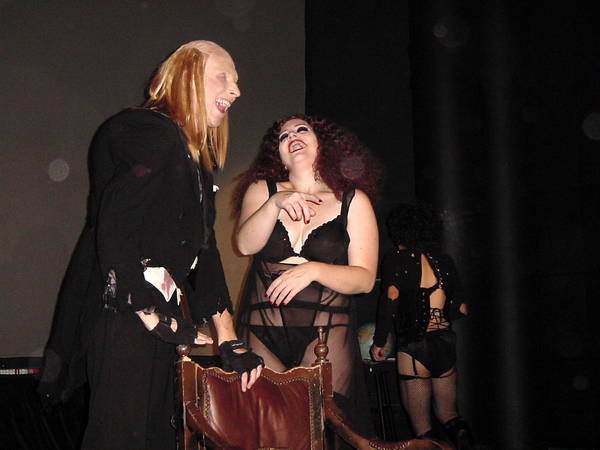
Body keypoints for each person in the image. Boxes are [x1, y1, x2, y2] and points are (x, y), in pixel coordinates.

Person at [38, 40, 263, 450]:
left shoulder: (194, 160)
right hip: (125, 310)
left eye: (236, 80)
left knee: (154, 435)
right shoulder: (147, 129)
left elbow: (203, 250)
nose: (236, 89)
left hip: (155, 315)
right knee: (122, 437)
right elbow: (116, 222)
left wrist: (228, 337)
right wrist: (146, 310)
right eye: (223, 76)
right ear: (187, 75)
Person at [232, 114, 380, 435]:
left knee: (322, 427)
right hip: (262, 326)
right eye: (283, 136)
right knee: (272, 429)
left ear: (322, 143)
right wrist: (275, 203)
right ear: (278, 155)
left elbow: (365, 279)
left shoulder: (352, 199)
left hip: (327, 329)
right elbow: (245, 245)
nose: (292, 136)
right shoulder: (263, 190)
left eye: (302, 130)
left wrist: (314, 269)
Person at [370, 203, 473, 449]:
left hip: (414, 346)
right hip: (445, 344)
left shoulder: (396, 259)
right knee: (450, 416)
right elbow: (462, 308)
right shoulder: (444, 261)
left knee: (422, 429)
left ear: (398, 231)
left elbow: (390, 299)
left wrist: (379, 341)